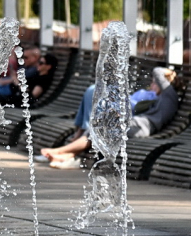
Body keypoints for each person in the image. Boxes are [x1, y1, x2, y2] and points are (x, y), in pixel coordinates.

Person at [39, 67, 179, 168]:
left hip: (142, 126)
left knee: (102, 130)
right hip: (135, 123)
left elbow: (157, 70)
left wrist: (169, 73)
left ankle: (60, 151)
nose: (152, 85)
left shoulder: (169, 95)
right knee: (99, 125)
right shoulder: (159, 98)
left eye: (155, 82)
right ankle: (67, 155)